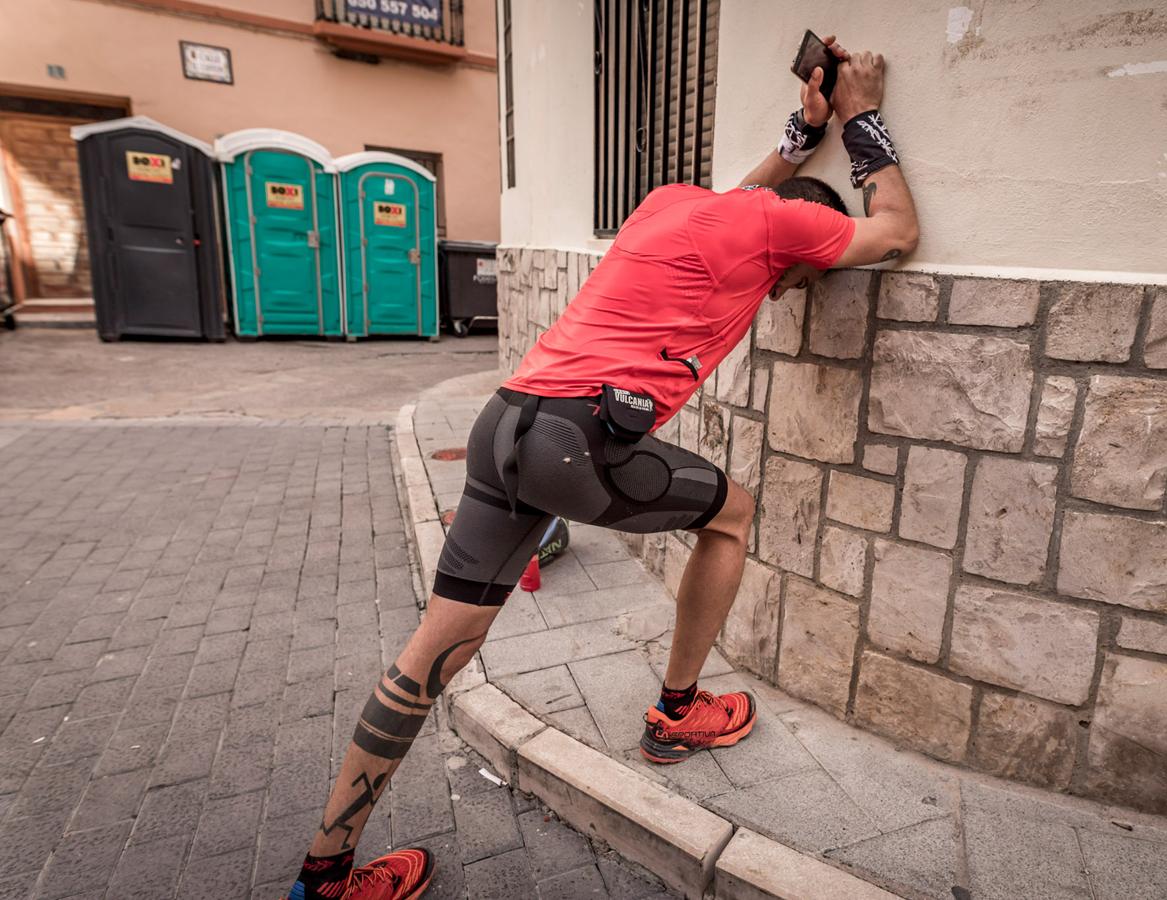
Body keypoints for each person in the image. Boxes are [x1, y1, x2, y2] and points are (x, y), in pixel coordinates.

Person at [284, 36, 919, 900]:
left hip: (502, 423)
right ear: (801, 250)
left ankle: (324, 876)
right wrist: (861, 117)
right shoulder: (785, 229)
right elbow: (896, 231)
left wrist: (801, 129)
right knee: (734, 513)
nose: (779, 297)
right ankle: (677, 713)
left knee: (432, 655)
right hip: (573, 441)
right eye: (794, 285)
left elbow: (741, 197)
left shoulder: (673, 204)